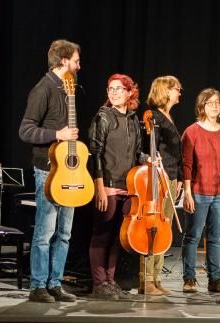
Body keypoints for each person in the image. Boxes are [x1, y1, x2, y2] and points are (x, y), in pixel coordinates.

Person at [19, 39, 81, 303]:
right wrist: (58, 133)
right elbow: (25, 130)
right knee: (45, 230)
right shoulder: (42, 89)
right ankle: (38, 285)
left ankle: (55, 283)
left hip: (70, 172)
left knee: (64, 233)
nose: (79, 65)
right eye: (76, 60)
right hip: (47, 170)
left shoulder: (68, 89)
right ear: (64, 61)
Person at [88, 74, 147, 300]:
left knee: (117, 237)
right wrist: (100, 186)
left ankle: (110, 281)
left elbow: (137, 153)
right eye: (110, 89)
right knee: (101, 235)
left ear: (130, 92)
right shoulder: (103, 117)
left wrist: (148, 159)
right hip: (109, 185)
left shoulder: (133, 119)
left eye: (119, 89)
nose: (113, 93)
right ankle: (98, 282)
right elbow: (97, 154)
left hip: (129, 186)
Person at [180, 88, 220, 294]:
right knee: (193, 236)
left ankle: (215, 280)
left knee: (215, 238)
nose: (215, 105)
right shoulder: (191, 132)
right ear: (202, 106)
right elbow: (186, 165)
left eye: (218, 102)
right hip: (198, 191)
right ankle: (190, 278)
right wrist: (187, 192)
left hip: (219, 193)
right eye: (210, 102)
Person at [142, 75, 184, 296]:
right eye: (177, 88)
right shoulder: (155, 117)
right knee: (152, 229)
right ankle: (147, 279)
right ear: (165, 91)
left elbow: (174, 153)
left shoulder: (168, 116)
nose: (180, 91)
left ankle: (157, 278)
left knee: (164, 229)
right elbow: (152, 149)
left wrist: (176, 179)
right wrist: (164, 176)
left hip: (171, 178)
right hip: (158, 178)